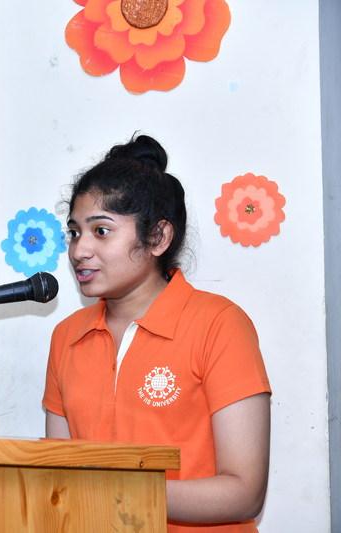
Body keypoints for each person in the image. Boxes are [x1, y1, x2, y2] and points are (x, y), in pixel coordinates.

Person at [42, 134, 271, 532]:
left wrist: (115, 491)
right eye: (74, 232)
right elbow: (60, 474)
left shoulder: (220, 324)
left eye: (101, 231)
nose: (79, 251)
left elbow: (244, 491)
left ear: (158, 237)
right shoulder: (67, 336)